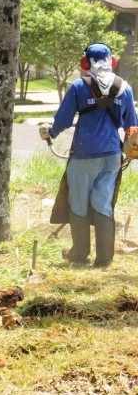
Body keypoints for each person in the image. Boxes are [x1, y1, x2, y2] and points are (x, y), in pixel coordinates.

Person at [40, 42, 138, 268]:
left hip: (84, 155)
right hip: (112, 156)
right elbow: (133, 127)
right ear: (112, 61)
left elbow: (62, 121)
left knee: (78, 204)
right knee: (104, 205)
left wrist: (49, 133)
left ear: (86, 63)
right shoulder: (125, 87)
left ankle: (80, 254)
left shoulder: (78, 86)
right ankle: (104, 260)